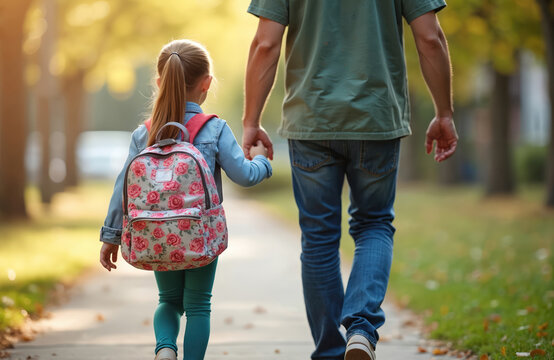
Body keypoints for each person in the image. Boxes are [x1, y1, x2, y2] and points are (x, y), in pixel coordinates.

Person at [242, 1, 458, 360]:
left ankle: (330, 350)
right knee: (374, 224)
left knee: (319, 236)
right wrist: (444, 112)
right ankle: (360, 327)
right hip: (376, 118)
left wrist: (251, 121)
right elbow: (430, 37)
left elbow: (265, 44)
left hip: (311, 119)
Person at [98, 39, 272, 360]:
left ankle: (165, 349)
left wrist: (111, 237)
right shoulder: (214, 129)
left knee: (168, 301)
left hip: (157, 233)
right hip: (199, 236)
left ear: (160, 82)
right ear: (206, 84)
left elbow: (123, 187)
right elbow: (245, 176)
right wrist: (263, 162)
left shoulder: (144, 133)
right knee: (198, 305)